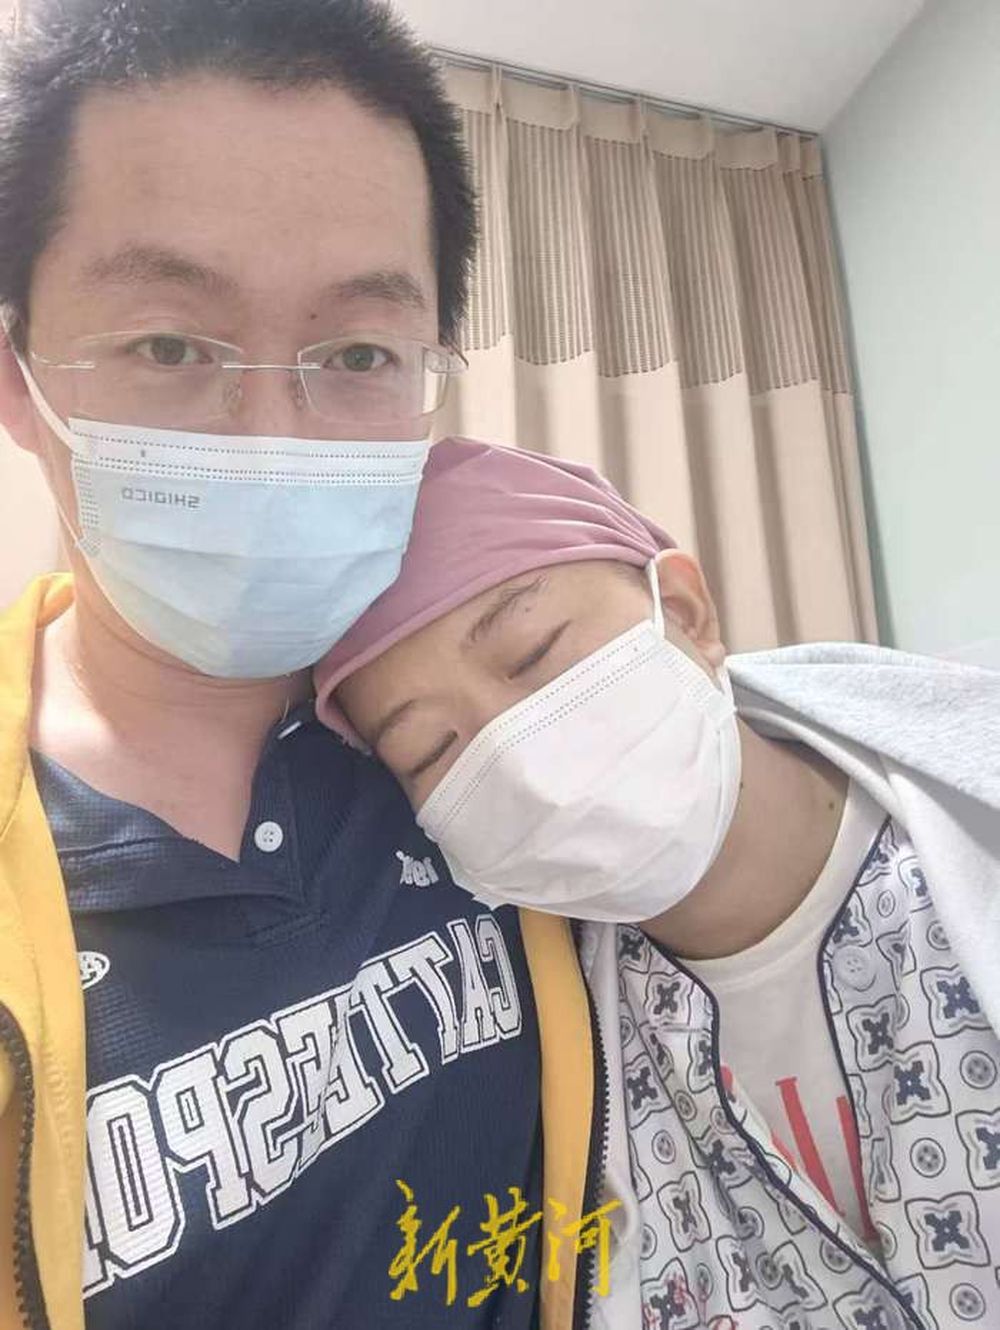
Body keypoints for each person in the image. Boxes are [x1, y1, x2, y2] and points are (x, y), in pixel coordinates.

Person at [0, 4, 600, 1327]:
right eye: (170, 345)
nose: (274, 431)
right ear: (15, 373)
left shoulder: (495, 724)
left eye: (356, 355)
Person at [316, 436, 1000, 1330]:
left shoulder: (962, 839)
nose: (523, 767)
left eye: (533, 653)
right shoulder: (545, 1060)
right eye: (431, 750)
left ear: (681, 610)